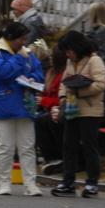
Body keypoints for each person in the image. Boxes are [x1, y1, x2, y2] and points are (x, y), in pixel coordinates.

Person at [0, 21, 44, 196]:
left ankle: (30, 184)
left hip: (25, 106)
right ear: (10, 38)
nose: (24, 42)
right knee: (5, 147)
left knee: (27, 146)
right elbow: (1, 74)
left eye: (25, 39)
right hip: (3, 106)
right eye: (21, 39)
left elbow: (39, 73)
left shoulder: (27, 53)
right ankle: (4, 182)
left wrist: (32, 79)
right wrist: (19, 60)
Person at [50, 31, 105, 197]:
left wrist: (80, 92)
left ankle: (92, 183)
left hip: (90, 110)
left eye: (69, 50)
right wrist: (62, 98)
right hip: (72, 108)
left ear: (77, 47)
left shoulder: (94, 60)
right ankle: (68, 182)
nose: (68, 54)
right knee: (69, 145)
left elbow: (101, 84)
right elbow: (64, 82)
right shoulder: (70, 62)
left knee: (89, 146)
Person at [35, 46, 67, 174]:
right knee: (39, 119)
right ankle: (49, 156)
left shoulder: (62, 74)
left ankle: (55, 156)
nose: (50, 59)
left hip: (55, 108)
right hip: (47, 108)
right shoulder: (51, 73)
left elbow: (60, 99)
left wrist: (43, 101)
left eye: (53, 57)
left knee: (44, 121)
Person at [84, 1, 105, 69]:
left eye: (90, 13)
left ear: (95, 15)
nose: (88, 17)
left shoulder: (104, 31)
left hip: (100, 71)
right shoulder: (94, 30)